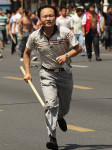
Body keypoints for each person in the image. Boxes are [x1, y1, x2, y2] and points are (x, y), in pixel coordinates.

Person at [23, 5, 82, 150]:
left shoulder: (65, 32)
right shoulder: (34, 36)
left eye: (51, 15)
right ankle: (52, 138)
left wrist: (66, 55)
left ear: (55, 17)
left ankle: (60, 116)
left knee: (65, 106)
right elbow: (26, 53)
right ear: (40, 18)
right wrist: (27, 71)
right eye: (45, 16)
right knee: (50, 105)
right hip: (47, 73)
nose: (48, 18)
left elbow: (78, 48)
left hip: (65, 72)